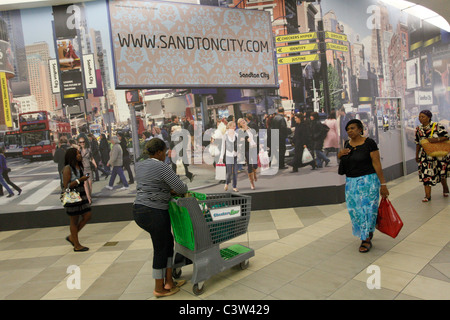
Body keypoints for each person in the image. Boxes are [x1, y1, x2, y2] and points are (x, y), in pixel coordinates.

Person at [133, 138, 188, 297]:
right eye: (164, 152)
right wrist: (172, 190)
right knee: (160, 248)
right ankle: (159, 288)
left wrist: (165, 190)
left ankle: (169, 281)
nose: (165, 155)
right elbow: (181, 187)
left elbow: (150, 185)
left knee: (167, 242)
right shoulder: (162, 167)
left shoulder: (140, 165)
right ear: (158, 152)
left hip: (139, 210)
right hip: (154, 211)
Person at [338, 119, 389, 253]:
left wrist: (383, 184)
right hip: (351, 183)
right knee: (355, 210)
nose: (350, 131)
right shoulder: (347, 144)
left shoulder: (369, 143)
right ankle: (367, 230)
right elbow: (343, 161)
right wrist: (340, 154)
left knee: (367, 209)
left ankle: (366, 238)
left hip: (368, 182)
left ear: (360, 129)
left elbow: (377, 163)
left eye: (353, 128)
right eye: (348, 129)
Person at [414, 110, 450, 202]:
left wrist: (436, 139)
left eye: (423, 116)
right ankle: (427, 196)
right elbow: (418, 143)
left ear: (429, 117)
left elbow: (446, 137)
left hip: (438, 154)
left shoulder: (437, 126)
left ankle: (445, 188)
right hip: (425, 155)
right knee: (426, 174)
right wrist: (417, 154)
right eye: (419, 117)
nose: (420, 118)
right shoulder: (418, 129)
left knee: (441, 173)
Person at [62, 148, 91, 252]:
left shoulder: (79, 166)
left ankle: (72, 237)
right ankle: (76, 245)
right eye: (77, 153)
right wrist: (80, 180)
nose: (79, 155)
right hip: (72, 195)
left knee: (87, 215)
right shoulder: (67, 168)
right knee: (74, 220)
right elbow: (67, 186)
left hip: (81, 194)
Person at [237, 118, 258, 190]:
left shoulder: (251, 129)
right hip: (247, 149)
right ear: (239, 125)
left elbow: (255, 137)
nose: (243, 122)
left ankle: (254, 173)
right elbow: (240, 142)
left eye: (243, 120)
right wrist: (246, 140)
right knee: (249, 164)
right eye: (241, 122)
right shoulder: (240, 132)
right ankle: (252, 183)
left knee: (255, 165)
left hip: (254, 147)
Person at [219, 121, 239, 192]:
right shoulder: (225, 135)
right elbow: (223, 147)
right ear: (229, 126)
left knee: (235, 172)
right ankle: (227, 183)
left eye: (235, 126)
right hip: (228, 156)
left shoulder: (236, 135)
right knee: (229, 172)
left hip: (236, 155)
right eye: (233, 126)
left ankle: (234, 186)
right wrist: (221, 156)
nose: (235, 127)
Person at [77, 136, 95, 204]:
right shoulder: (78, 151)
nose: (82, 143)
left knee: (90, 183)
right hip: (82, 169)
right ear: (79, 143)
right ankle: (88, 199)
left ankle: (89, 196)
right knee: (85, 184)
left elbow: (92, 158)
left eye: (83, 142)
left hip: (89, 168)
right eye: (80, 142)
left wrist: (95, 164)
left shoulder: (88, 150)